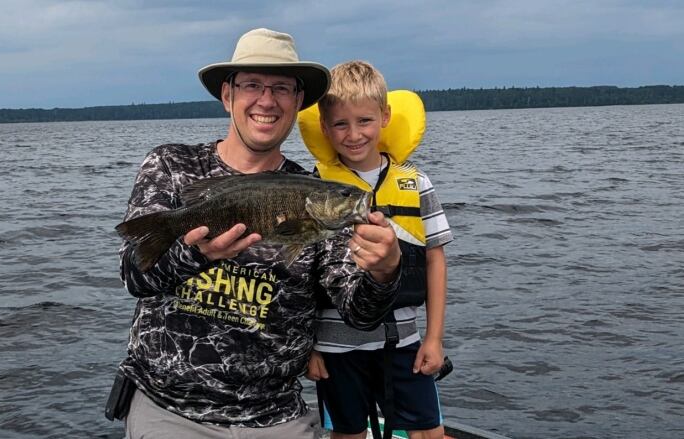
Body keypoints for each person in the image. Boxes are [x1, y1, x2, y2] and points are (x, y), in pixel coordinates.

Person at [109, 29, 404, 439]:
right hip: (169, 408)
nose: (267, 100)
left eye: (281, 88)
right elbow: (134, 276)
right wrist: (196, 254)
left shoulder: (316, 193)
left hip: (276, 415)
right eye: (252, 85)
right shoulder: (172, 166)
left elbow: (360, 313)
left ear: (298, 101)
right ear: (228, 95)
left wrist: (385, 272)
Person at [298, 61, 453, 439]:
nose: (353, 135)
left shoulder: (417, 184)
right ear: (324, 126)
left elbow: (435, 259)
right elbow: (299, 276)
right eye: (340, 124)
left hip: (403, 342)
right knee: (347, 432)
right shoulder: (312, 188)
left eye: (364, 121)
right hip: (334, 347)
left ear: (385, 117)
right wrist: (309, 347)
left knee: (428, 432)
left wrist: (433, 338)